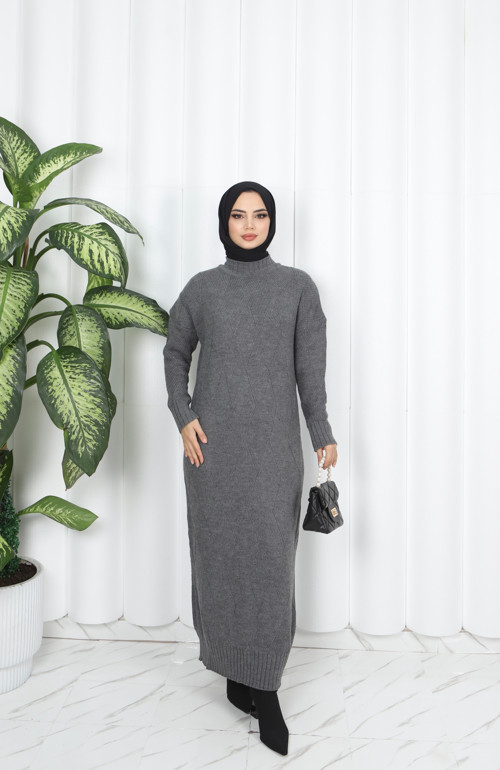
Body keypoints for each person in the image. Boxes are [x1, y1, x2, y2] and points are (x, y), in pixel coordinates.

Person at [163, 181, 338, 756]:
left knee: (268, 565)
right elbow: (175, 352)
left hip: (272, 455)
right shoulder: (202, 289)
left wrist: (321, 432)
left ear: (271, 223)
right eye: (238, 215)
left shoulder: (297, 288)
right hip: (210, 454)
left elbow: (310, 372)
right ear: (224, 222)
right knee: (220, 561)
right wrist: (183, 414)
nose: (248, 224)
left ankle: (265, 686)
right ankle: (235, 675)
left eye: (259, 215)